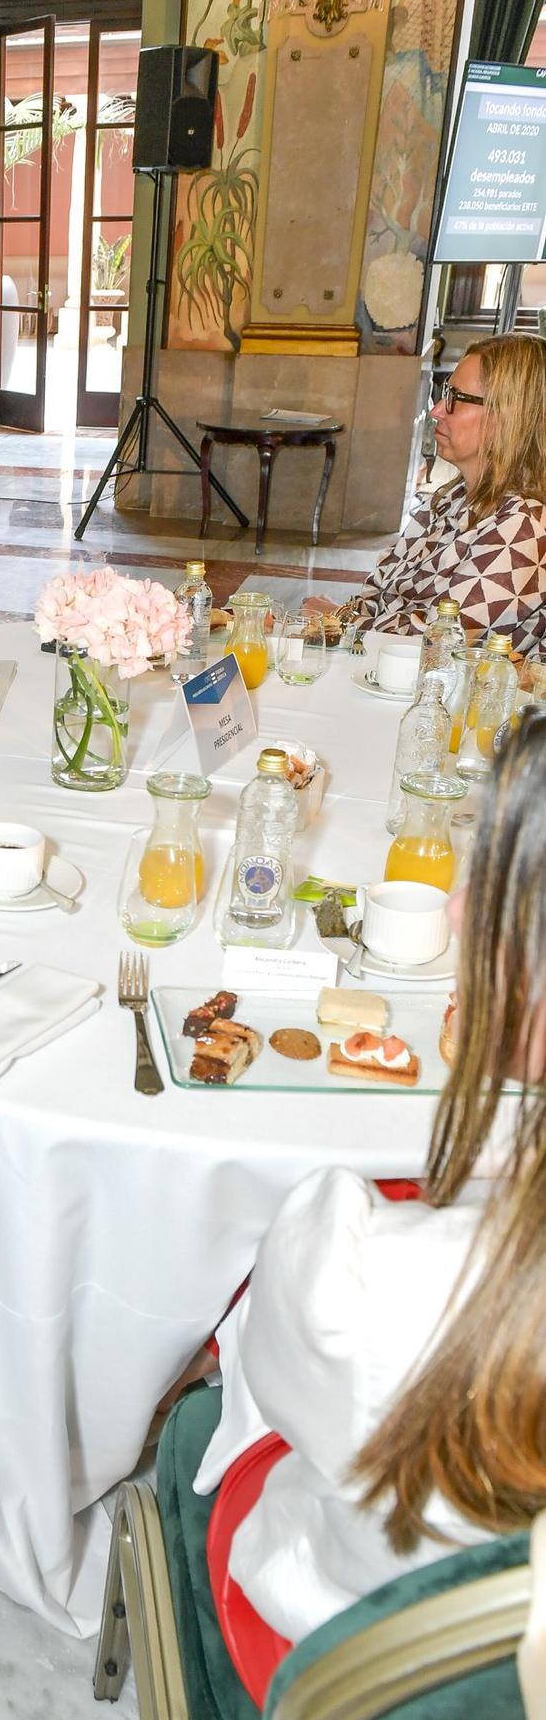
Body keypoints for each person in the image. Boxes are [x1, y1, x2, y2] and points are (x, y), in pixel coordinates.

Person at [193, 711, 546, 1659]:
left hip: (356, 1668)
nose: (462, 905)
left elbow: (273, 1358)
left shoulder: (372, 1274)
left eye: (496, 876)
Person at [308, 333, 546, 653]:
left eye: (455, 398)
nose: (436, 410)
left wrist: (334, 621)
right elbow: (376, 595)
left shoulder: (524, 526)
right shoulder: (450, 499)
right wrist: (336, 619)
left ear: (507, 417)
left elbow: (436, 645)